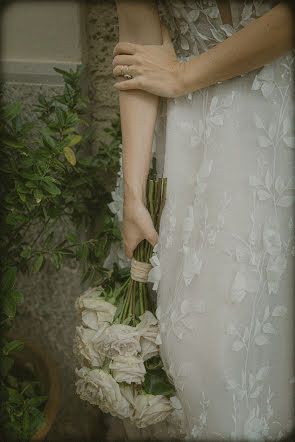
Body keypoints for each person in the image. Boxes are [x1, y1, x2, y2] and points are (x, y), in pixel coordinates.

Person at [113, 0, 295, 440]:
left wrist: (180, 76)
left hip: (277, 119)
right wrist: (136, 193)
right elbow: (139, 40)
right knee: (201, 344)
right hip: (193, 147)